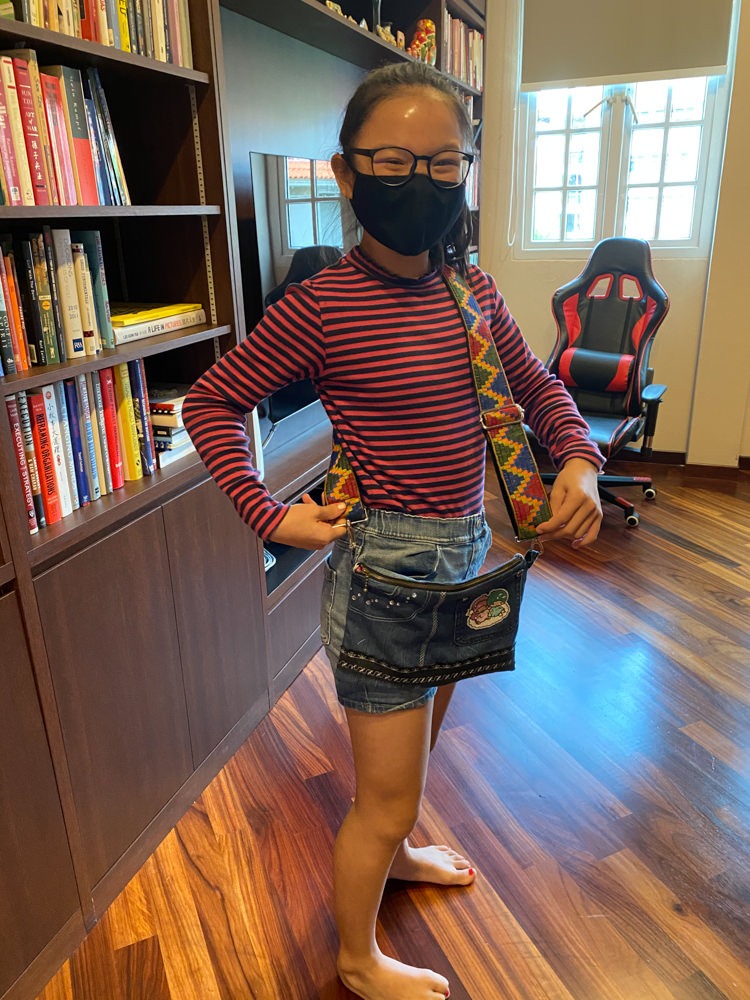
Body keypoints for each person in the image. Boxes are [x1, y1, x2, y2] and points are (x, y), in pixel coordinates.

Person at [182, 61, 604, 1000]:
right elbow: (210, 404)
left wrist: (579, 456)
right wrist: (269, 512)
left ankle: (401, 848)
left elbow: (536, 387)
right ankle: (356, 960)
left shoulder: (473, 291)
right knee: (380, 798)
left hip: (464, 558)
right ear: (346, 173)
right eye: (393, 162)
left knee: (411, 766)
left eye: (444, 164)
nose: (422, 183)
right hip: (386, 576)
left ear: (465, 170)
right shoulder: (321, 307)